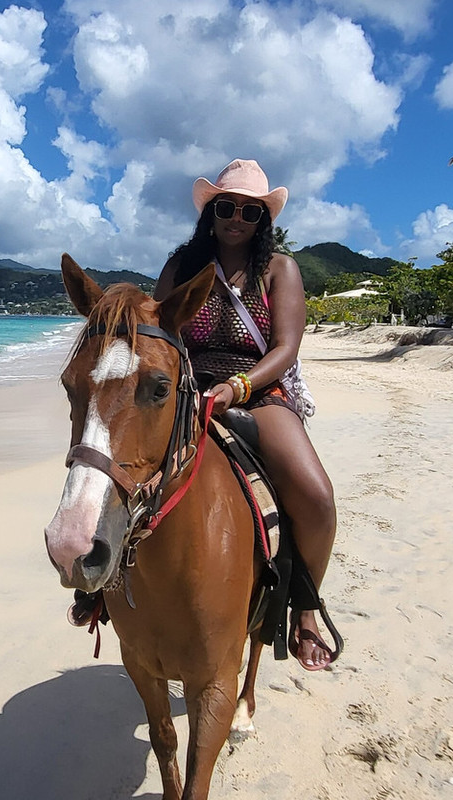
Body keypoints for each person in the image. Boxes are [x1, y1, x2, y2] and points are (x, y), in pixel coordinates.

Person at [152, 158, 338, 672]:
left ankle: (305, 609)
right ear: (211, 211)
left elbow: (286, 347)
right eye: (227, 206)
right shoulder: (180, 266)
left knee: (317, 497)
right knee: (120, 469)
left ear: (264, 221)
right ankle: (100, 589)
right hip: (188, 387)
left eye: (250, 212)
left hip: (258, 389)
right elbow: (157, 333)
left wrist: (237, 387)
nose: (237, 218)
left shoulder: (280, 269)